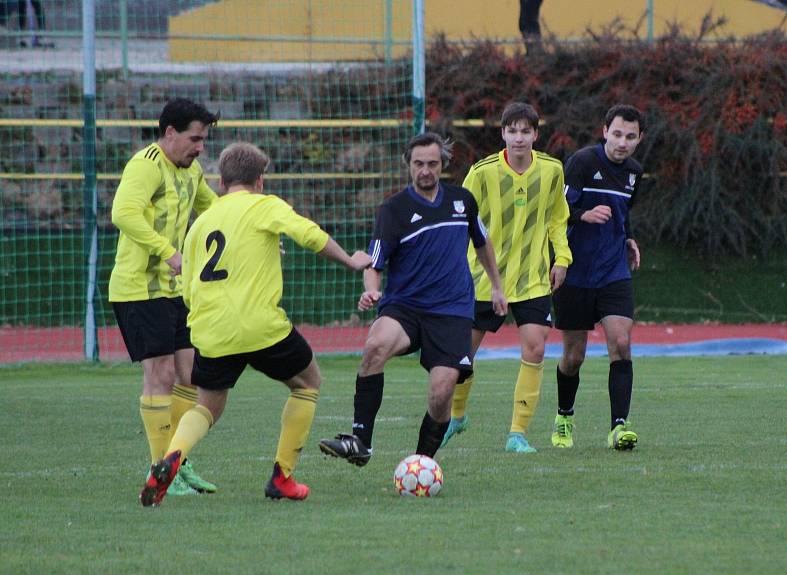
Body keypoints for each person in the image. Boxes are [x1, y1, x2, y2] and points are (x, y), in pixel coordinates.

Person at [139, 142, 372, 506]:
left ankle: (173, 455)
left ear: (221, 181)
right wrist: (350, 261)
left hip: (211, 330)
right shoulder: (265, 205)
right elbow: (309, 234)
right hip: (260, 327)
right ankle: (283, 477)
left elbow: (187, 284)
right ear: (260, 180)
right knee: (308, 382)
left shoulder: (203, 222)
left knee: (208, 405)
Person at [318, 132, 507, 466]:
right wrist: (371, 289)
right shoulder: (394, 210)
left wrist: (496, 286)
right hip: (405, 306)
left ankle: (421, 464)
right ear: (408, 164)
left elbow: (482, 241)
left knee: (442, 391)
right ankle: (361, 441)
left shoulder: (462, 201)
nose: (425, 171)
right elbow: (374, 263)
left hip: (452, 311)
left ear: (442, 165)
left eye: (432, 164)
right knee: (376, 343)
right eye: (419, 164)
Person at [440, 102, 572, 454]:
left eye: (525, 131)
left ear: (535, 135)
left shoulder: (552, 171)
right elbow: (461, 221)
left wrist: (563, 257)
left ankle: (517, 434)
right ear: (503, 134)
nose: (519, 138)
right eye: (512, 131)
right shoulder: (482, 172)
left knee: (536, 345)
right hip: (483, 278)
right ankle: (457, 416)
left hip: (532, 279)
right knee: (461, 354)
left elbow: (558, 219)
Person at [109, 98, 220, 498]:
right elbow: (123, 213)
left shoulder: (191, 173)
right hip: (139, 288)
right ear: (170, 133)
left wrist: (251, 231)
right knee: (160, 375)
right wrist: (167, 251)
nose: (200, 147)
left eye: (204, 140)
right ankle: (162, 473)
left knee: (190, 376)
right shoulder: (146, 165)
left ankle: (177, 459)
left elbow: (216, 210)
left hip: (173, 290)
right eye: (194, 138)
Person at [550, 104, 645, 451]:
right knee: (574, 356)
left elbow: (623, 213)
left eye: (630, 136)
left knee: (621, 342)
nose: (622, 142)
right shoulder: (583, 163)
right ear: (605, 130)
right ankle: (564, 417)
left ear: (639, 139)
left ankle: (619, 426)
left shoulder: (634, 173)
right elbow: (557, 213)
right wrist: (583, 215)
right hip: (574, 272)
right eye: (617, 134)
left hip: (613, 272)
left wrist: (629, 237)